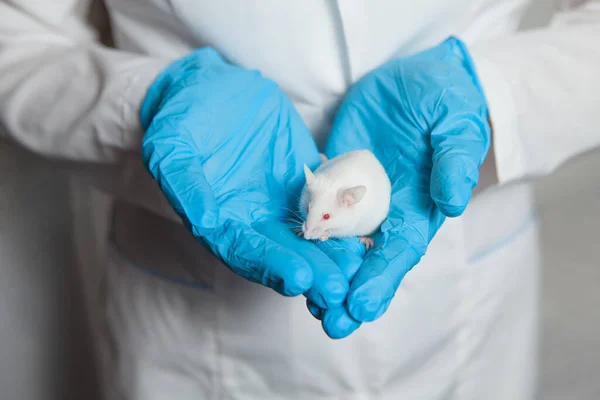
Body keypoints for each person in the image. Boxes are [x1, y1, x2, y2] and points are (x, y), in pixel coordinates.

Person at [0, 0, 599, 399]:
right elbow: (15, 38)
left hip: (469, 306)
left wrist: (495, 93)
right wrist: (150, 102)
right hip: (189, 332)